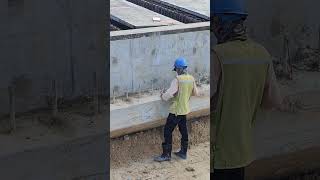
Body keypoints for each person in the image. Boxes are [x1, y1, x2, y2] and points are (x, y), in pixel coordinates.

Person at [211, 0, 283, 179]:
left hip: (216, 154)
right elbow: (273, 101)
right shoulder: (262, 54)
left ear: (220, 22)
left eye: (213, 23)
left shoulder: (217, 55)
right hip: (242, 152)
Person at [154, 57, 199, 162]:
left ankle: (166, 155)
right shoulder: (191, 79)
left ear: (178, 69)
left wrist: (162, 95)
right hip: (184, 110)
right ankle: (183, 152)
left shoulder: (177, 80)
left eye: (176, 70)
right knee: (184, 131)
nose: (176, 72)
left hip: (176, 111)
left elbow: (169, 94)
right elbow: (196, 93)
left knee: (167, 131)